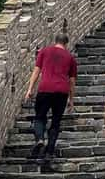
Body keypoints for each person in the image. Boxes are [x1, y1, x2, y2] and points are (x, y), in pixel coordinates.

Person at [23, 33, 77, 161]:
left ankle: (40, 139)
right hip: (62, 92)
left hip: (45, 89)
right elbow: (72, 81)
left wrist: (30, 89)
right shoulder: (70, 58)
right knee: (56, 121)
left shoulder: (44, 51)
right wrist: (71, 99)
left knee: (39, 117)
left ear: (55, 41)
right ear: (66, 43)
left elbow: (36, 71)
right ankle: (50, 150)